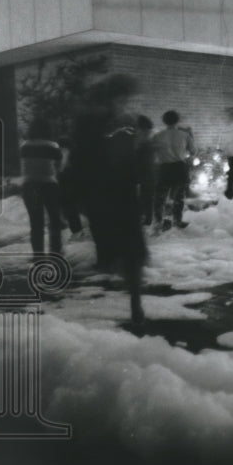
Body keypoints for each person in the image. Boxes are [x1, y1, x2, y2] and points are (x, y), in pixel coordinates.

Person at [69, 74, 148, 326]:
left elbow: (78, 160)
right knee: (128, 250)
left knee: (124, 251)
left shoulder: (96, 122)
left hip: (106, 194)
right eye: (124, 97)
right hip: (112, 192)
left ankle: (135, 303)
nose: (126, 102)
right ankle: (135, 303)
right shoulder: (109, 122)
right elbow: (121, 158)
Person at [20, 117, 64, 256]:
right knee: (54, 220)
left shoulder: (24, 146)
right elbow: (59, 166)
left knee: (36, 223)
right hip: (49, 185)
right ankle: (55, 252)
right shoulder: (53, 146)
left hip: (29, 185)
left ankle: (38, 256)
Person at [152, 109, 196, 231]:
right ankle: (177, 221)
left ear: (164, 121)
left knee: (160, 196)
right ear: (177, 120)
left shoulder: (157, 136)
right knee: (178, 197)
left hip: (164, 168)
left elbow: (152, 153)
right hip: (179, 167)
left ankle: (158, 221)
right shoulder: (184, 135)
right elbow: (193, 151)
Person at [136, 115, 156, 225]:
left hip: (146, 173)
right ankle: (146, 220)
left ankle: (146, 220)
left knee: (146, 197)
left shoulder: (144, 143)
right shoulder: (146, 142)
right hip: (146, 173)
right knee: (146, 198)